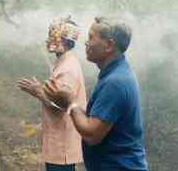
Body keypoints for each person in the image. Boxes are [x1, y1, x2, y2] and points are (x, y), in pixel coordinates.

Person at [43, 17, 148, 171]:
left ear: (109, 45)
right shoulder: (114, 75)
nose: (86, 43)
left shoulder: (116, 82)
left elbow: (92, 135)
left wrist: (70, 103)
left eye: (91, 37)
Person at [17, 16, 87, 171]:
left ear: (68, 42)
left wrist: (38, 93)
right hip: (60, 142)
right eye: (49, 36)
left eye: (55, 37)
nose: (49, 40)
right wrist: (40, 91)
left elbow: (63, 107)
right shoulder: (64, 62)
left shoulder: (67, 69)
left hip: (62, 146)